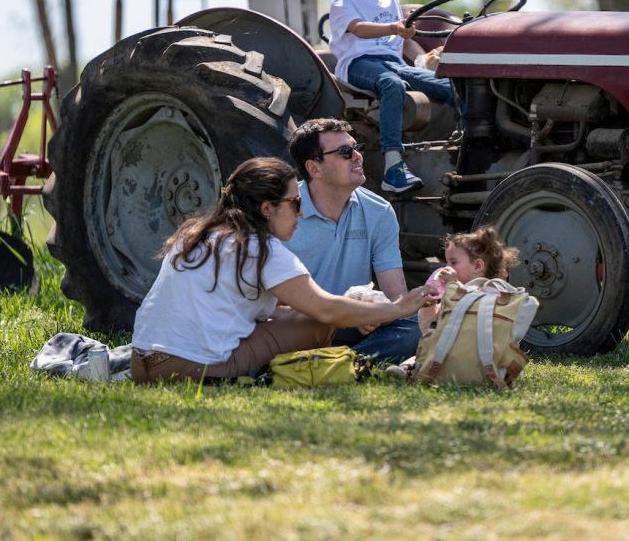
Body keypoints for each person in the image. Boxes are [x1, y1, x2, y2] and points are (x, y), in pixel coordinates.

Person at [130, 157, 427, 384]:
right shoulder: (261, 249)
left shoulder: (196, 234)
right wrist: (399, 309)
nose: (300, 212)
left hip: (141, 364)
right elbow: (326, 311)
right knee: (320, 324)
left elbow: (285, 311)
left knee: (305, 316)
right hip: (193, 370)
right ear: (267, 208)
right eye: (295, 203)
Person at [328, 0, 456, 194]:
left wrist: (423, 60)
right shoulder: (343, 1)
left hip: (392, 62)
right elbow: (360, 29)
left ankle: (467, 147)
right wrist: (395, 28)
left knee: (448, 86)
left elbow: (404, 40)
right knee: (391, 84)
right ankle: (394, 166)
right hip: (359, 63)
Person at [285, 118, 421, 364]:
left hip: (356, 327)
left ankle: (342, 364)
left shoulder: (379, 211)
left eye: (357, 148)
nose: (357, 156)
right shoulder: (283, 211)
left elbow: (396, 297)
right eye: (345, 152)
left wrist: (378, 314)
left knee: (415, 325)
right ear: (314, 168)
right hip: (301, 324)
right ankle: (348, 363)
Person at [387, 226, 520, 379]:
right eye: (446, 262)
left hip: (481, 354)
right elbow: (427, 328)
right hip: (452, 352)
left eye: (453, 263)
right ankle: (406, 370)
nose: (446, 268)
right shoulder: (451, 293)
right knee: (425, 355)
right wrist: (429, 306)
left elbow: (473, 308)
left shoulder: (492, 291)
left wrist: (454, 286)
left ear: (477, 266)